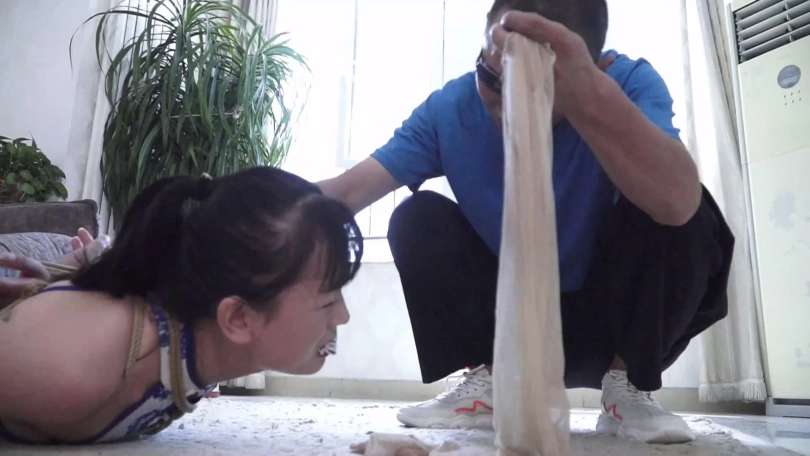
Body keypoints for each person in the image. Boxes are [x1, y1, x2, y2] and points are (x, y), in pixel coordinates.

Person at [318, 0, 734, 444]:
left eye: (532, 84)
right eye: (491, 75)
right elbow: (347, 192)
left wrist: (589, 99)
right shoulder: (450, 109)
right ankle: (492, 385)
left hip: (614, 320)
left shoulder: (625, 84)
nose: (505, 102)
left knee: (690, 206)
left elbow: (677, 202)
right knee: (416, 218)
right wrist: (264, 217)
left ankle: (627, 385)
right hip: (512, 326)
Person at [0, 166, 363, 445]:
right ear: (238, 318)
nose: (343, 317)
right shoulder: (81, 363)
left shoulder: (192, 344)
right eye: (329, 300)